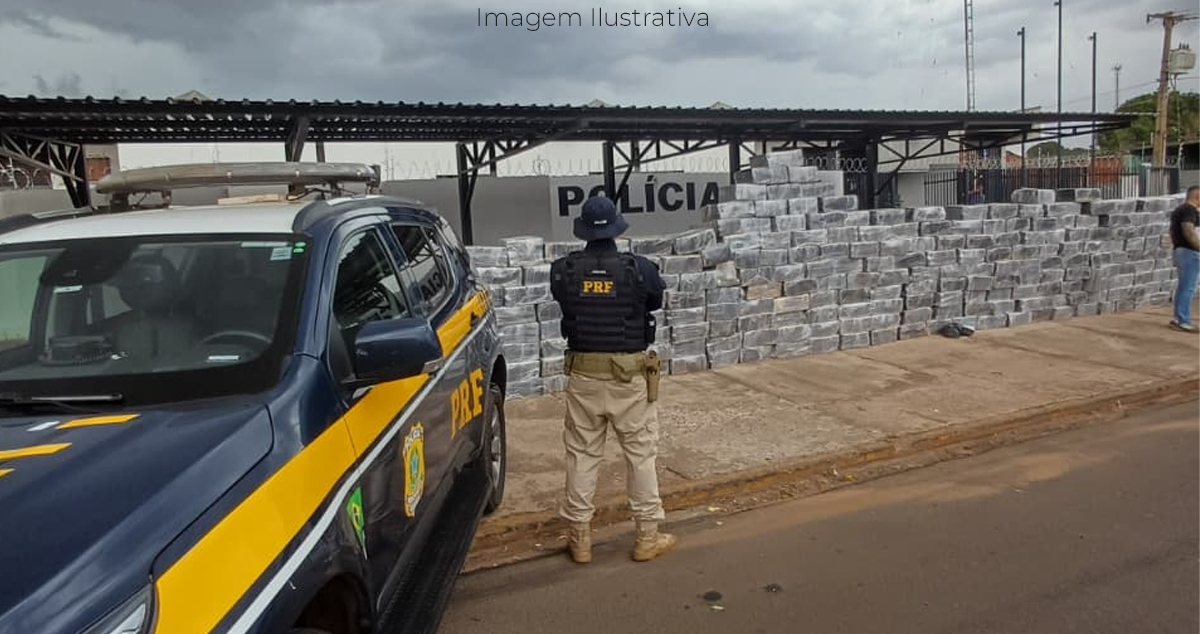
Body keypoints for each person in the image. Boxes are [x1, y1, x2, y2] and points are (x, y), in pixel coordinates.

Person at [549, 195, 674, 564]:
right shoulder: (641, 268)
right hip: (630, 379)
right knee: (640, 456)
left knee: (582, 456)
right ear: (618, 227)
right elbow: (654, 301)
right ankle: (647, 537)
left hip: (584, 377)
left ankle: (580, 539)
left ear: (583, 230)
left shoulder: (563, 270)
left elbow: (566, 304)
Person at [1169, 186, 1200, 332]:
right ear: (1197, 196)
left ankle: (1178, 318)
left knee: (1183, 286)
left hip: (1181, 250)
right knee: (1188, 287)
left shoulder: (1179, 210)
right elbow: (1188, 230)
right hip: (1189, 252)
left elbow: (1172, 231)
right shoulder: (1189, 210)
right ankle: (1183, 320)